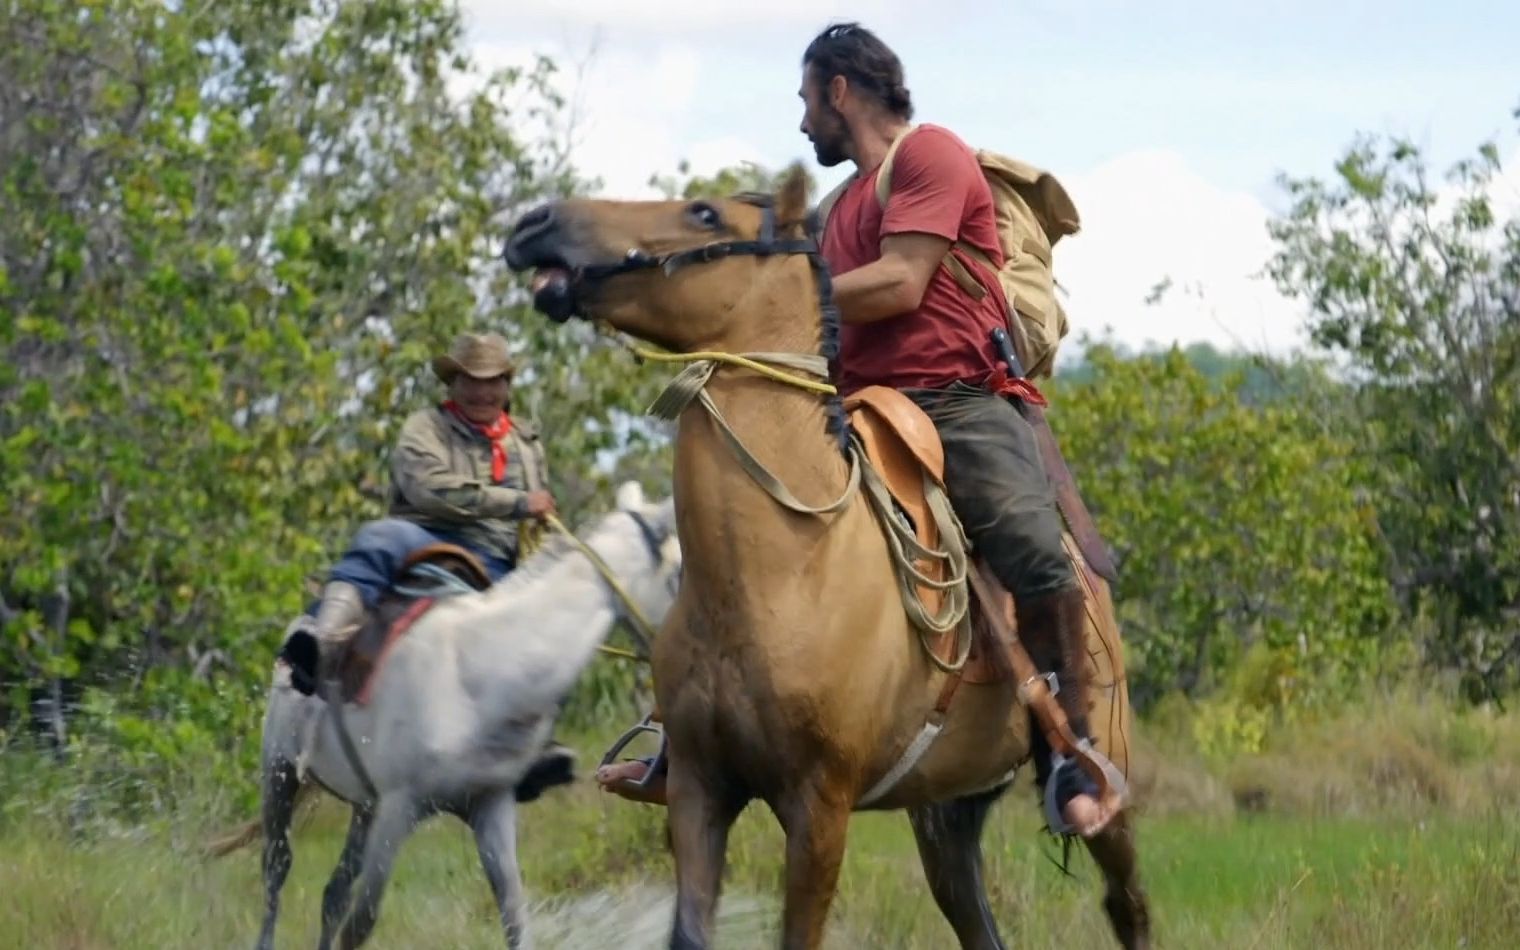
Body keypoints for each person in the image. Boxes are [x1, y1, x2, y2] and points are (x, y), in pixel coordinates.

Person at [597, 22, 1115, 838]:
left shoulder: (930, 157)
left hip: (957, 402)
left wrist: (788, 298)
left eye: (808, 101)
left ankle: (1070, 756)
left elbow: (906, 282)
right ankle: (690, 735)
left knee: (1032, 549)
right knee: (727, 531)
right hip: (849, 404)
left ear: (841, 91)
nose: (804, 123)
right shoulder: (834, 209)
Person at [282, 332, 573, 788]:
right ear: (452, 383)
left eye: (492, 381)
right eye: (471, 381)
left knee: (562, 617)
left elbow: (538, 513)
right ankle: (322, 643)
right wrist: (518, 502)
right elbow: (430, 489)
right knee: (378, 537)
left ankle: (534, 741)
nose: (483, 392)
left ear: (507, 384)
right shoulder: (424, 428)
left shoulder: (526, 442)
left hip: (499, 561)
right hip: (424, 537)